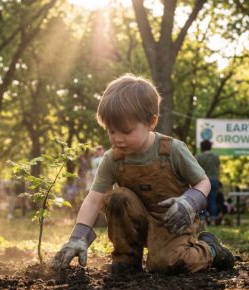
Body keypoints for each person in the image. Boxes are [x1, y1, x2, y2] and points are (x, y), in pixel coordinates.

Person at [51, 74, 234, 275]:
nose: (117, 139)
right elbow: (94, 199)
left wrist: (189, 202)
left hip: (172, 223)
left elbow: (203, 182)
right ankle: (127, 260)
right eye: (111, 131)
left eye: (126, 131)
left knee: (167, 265)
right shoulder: (113, 158)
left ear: (151, 122)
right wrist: (78, 236)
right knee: (116, 197)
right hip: (135, 221)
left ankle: (211, 250)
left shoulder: (172, 150)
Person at [196, 139, 220, 225]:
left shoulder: (198, 157)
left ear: (202, 147)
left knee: (202, 200)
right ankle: (213, 220)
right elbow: (218, 169)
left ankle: (202, 220)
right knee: (213, 200)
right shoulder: (215, 157)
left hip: (202, 181)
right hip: (214, 180)